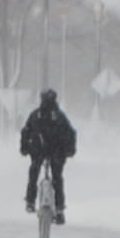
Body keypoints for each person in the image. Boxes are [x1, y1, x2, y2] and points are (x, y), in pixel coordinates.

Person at [19, 87, 77, 221]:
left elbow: (26, 132)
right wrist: (69, 149)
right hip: (55, 151)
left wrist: (25, 147)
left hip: (41, 151)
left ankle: (31, 201)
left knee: (35, 173)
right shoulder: (59, 117)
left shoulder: (37, 115)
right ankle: (59, 208)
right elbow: (70, 133)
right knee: (56, 179)